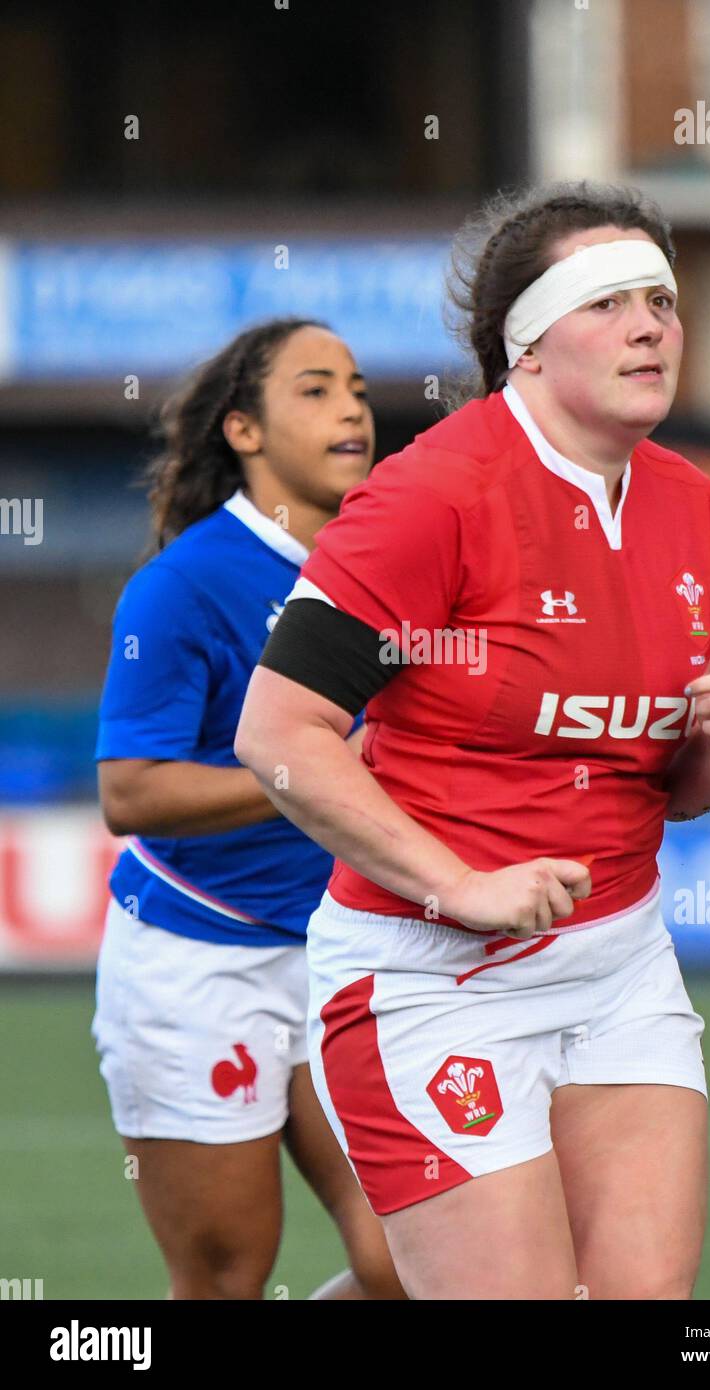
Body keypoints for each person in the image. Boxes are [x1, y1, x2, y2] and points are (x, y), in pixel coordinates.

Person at [234, 183, 710, 1301]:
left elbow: (663, 784)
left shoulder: (691, 505)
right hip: (431, 984)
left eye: (659, 300)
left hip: (618, 967)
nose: (648, 326)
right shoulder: (428, 497)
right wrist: (458, 884)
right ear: (524, 345)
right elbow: (277, 732)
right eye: (605, 302)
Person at [92, 317, 404, 1300]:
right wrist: (306, 768)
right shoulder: (183, 585)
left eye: (355, 386)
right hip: (199, 965)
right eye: (313, 389)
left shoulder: (395, 563)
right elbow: (129, 792)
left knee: (416, 1262)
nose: (350, 406)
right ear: (243, 431)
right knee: (227, 1276)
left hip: (349, 952)